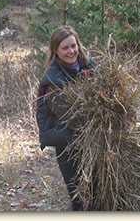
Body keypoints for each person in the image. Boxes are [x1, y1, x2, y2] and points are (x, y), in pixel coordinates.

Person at [36, 25, 95, 211]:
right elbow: (72, 118)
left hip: (91, 133)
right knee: (79, 193)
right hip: (67, 137)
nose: (71, 51)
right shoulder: (53, 80)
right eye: (65, 48)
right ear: (55, 51)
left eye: (73, 45)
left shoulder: (88, 64)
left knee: (99, 188)